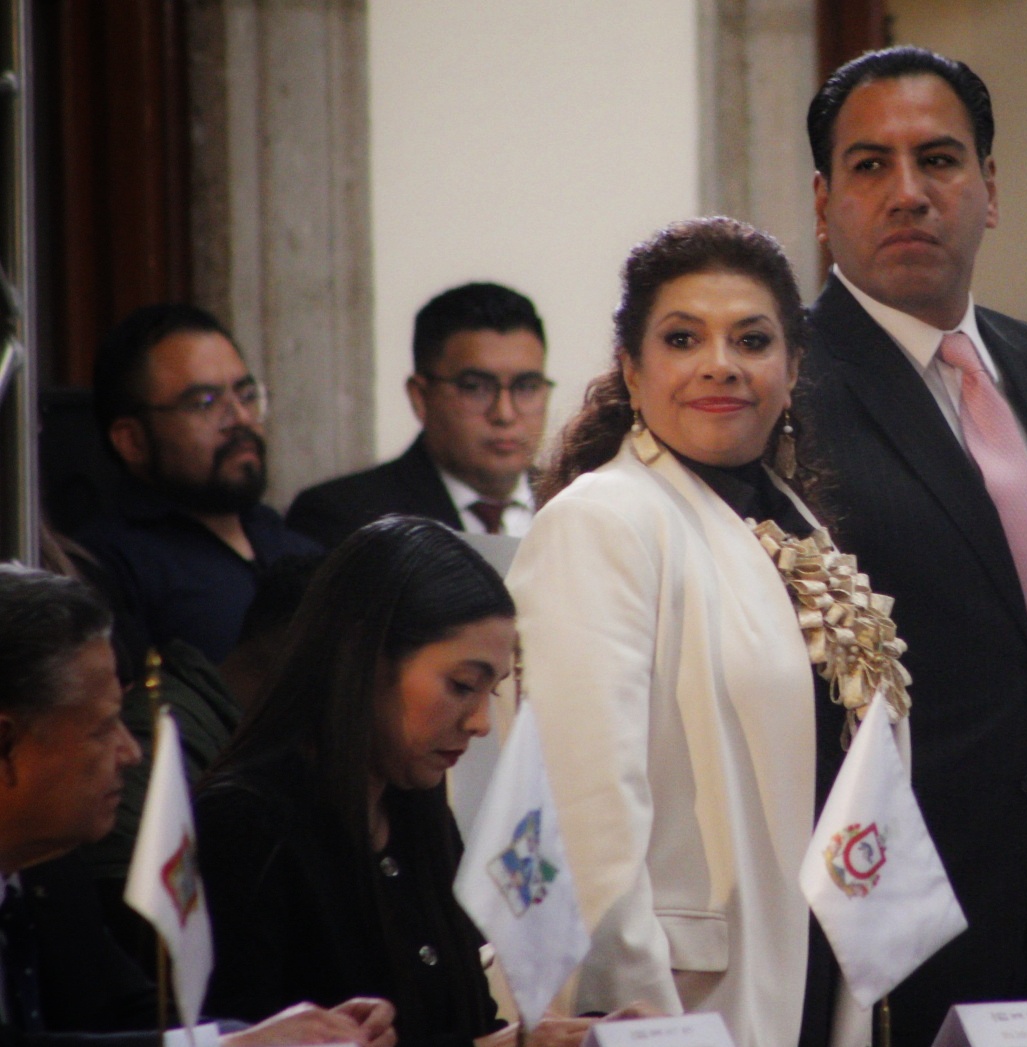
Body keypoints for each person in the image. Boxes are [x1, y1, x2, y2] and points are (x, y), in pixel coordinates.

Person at [799, 46, 1027, 1040]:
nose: (909, 192)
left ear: (990, 189)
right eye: (870, 165)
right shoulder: (783, 381)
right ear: (823, 203)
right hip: (878, 897)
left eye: (938, 160)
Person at [512, 218, 859, 1046]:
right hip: (682, 991)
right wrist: (643, 1025)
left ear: (792, 369)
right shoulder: (603, 520)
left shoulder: (792, 522)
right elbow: (587, 809)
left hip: (812, 962)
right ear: (632, 371)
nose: (720, 363)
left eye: (752, 339)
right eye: (682, 338)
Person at [194, 519, 593, 1046]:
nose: (480, 723)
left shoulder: (418, 808)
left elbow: (463, 1028)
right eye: (462, 685)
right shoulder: (245, 825)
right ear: (365, 659)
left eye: (492, 691)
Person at [0, 563, 396, 1047]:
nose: (131, 752)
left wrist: (301, 1035)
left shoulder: (47, 865)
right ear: (6, 741)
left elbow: (116, 1009)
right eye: (103, 728)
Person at [77, 304, 322, 664]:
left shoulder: (290, 543)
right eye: (204, 403)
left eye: (246, 395)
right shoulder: (106, 565)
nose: (240, 418)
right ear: (132, 440)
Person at [289, 283, 553, 547]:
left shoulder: (567, 503)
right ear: (420, 397)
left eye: (526, 387)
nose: (504, 414)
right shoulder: (347, 518)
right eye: (474, 387)